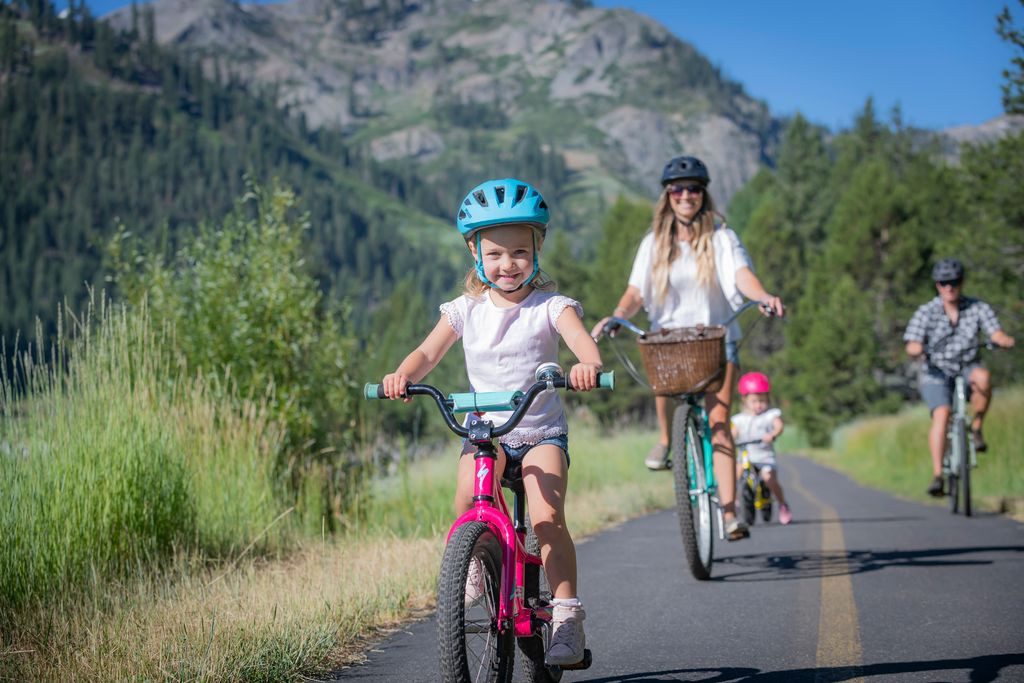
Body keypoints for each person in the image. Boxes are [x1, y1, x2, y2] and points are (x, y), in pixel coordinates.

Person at [380, 178, 603, 667]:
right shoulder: (465, 310)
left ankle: (566, 617)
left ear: (538, 249)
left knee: (546, 518)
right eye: (496, 253)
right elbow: (427, 352)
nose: (508, 264)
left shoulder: (551, 307)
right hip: (486, 431)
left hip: (540, 431)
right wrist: (402, 375)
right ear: (475, 252)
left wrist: (587, 365)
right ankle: (474, 560)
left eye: (520, 251)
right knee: (467, 496)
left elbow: (582, 343)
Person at [590, 155, 784, 541]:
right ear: (667, 195)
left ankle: (730, 514)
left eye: (693, 189)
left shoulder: (722, 238)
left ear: (703, 194)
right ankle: (667, 438)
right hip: (670, 342)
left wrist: (762, 296)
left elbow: (741, 275)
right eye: (677, 189)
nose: (685, 196)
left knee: (720, 426)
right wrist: (616, 315)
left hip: (714, 340)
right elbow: (635, 291)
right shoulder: (653, 243)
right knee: (660, 375)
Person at [903, 258, 1015, 497]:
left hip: (967, 364)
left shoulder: (977, 307)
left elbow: (996, 331)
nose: (949, 287)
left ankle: (976, 428)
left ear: (961, 283)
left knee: (983, 377)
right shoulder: (927, 311)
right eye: (944, 283)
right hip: (936, 370)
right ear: (937, 285)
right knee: (942, 414)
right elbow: (912, 342)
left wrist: (1003, 340)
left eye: (953, 282)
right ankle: (937, 475)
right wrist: (917, 348)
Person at [731, 371, 791, 525]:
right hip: (745, 457)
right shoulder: (739, 419)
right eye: (754, 401)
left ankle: (782, 504)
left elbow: (779, 425)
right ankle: (735, 503)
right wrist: (730, 438)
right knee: (734, 477)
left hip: (765, 457)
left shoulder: (770, 415)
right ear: (745, 400)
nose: (758, 405)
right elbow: (733, 432)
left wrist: (773, 434)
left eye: (762, 401)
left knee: (769, 478)